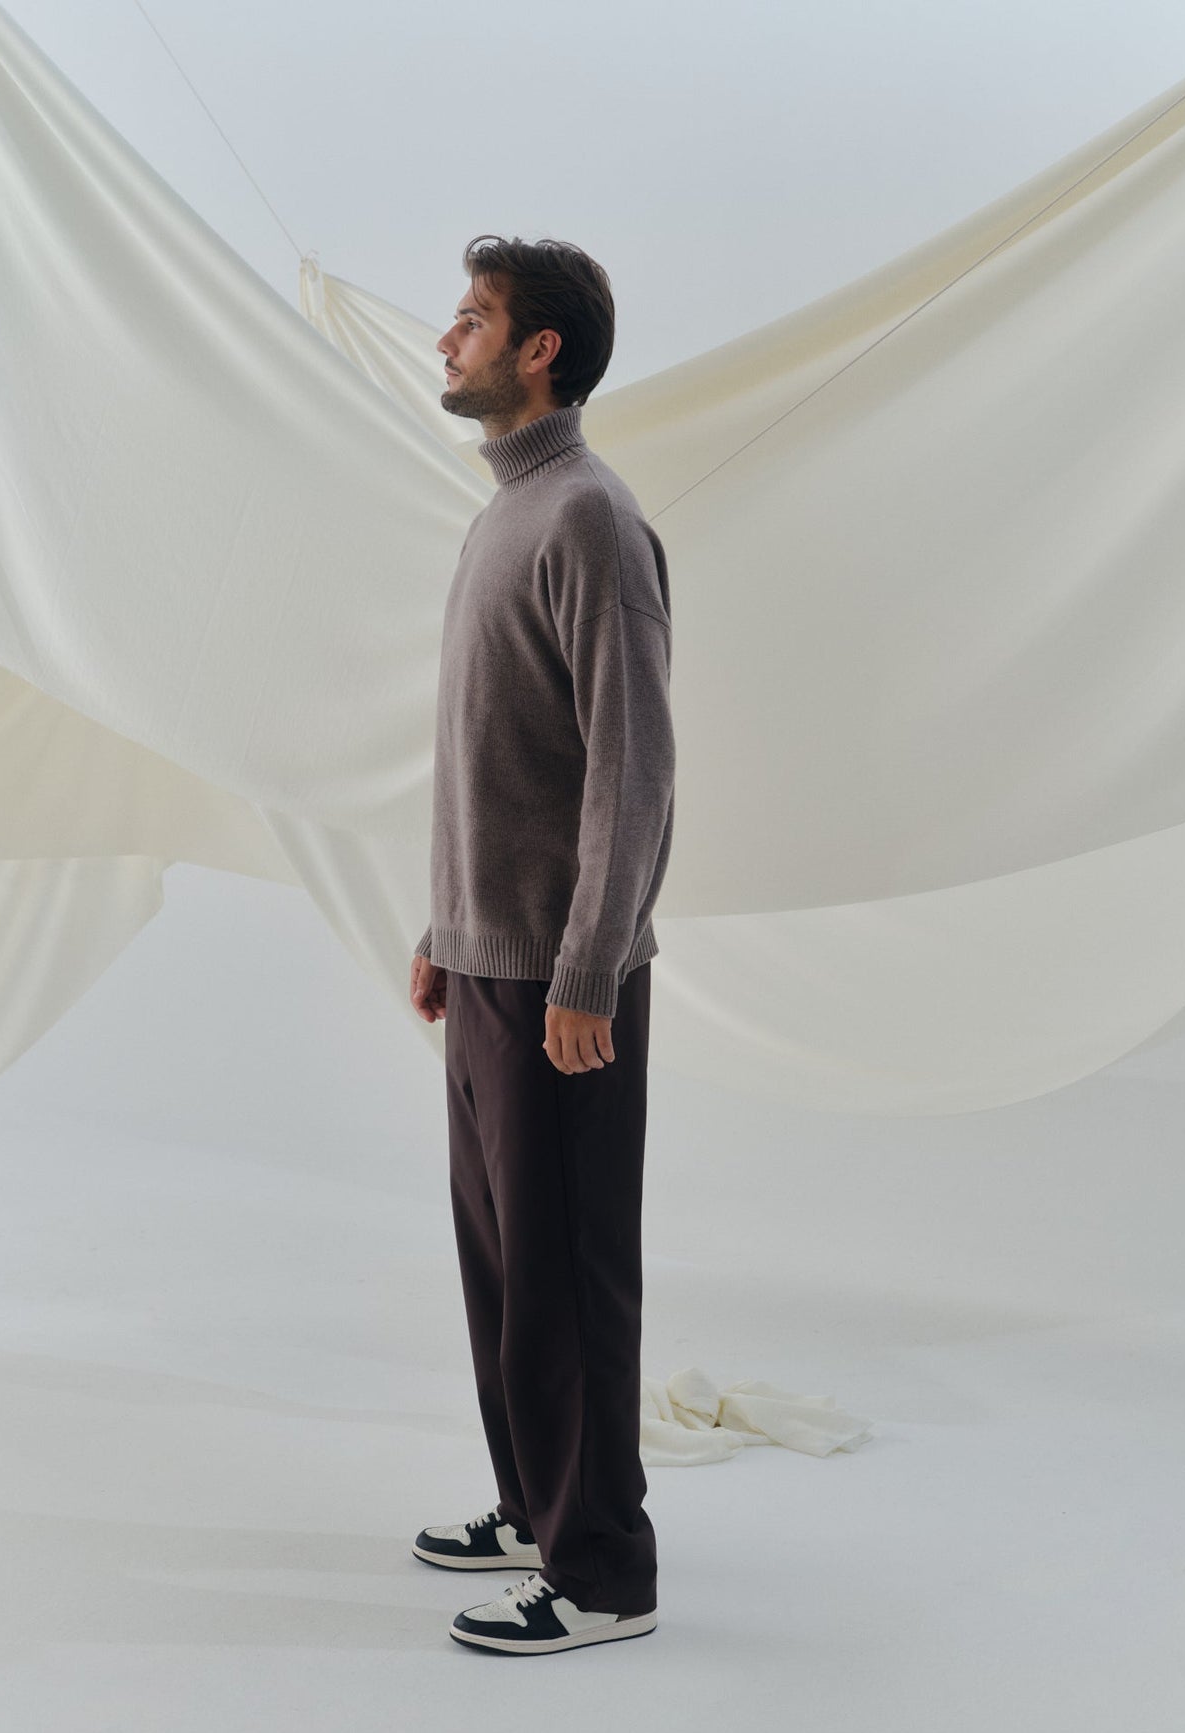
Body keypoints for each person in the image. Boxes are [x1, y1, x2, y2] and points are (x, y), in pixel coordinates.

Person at [407, 234, 677, 1656]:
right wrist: (445, 929)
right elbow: (496, 757)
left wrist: (588, 968)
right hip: (486, 962)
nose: (446, 339)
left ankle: (604, 1573)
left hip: (564, 982)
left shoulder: (589, 519)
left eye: (472, 318)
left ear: (539, 350)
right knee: (505, 1269)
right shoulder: (502, 515)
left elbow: (632, 771)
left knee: (569, 1271)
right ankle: (535, 1507)